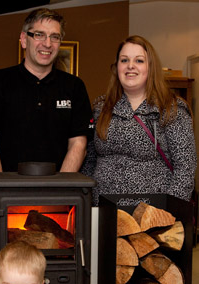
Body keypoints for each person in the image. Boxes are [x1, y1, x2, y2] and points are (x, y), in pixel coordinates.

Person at [0, 8, 92, 173]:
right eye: (39, 34)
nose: (47, 43)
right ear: (23, 39)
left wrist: (61, 193)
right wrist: (1, 192)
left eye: (54, 37)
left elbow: (79, 144)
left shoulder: (75, 87)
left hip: (59, 194)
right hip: (6, 194)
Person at [81, 35, 197, 206]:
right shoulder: (101, 107)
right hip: (103, 210)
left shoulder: (171, 109)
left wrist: (169, 213)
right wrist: (84, 205)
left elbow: (185, 168)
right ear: (117, 67)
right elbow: (89, 162)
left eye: (139, 60)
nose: (130, 66)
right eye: (124, 60)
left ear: (151, 68)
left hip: (151, 215)